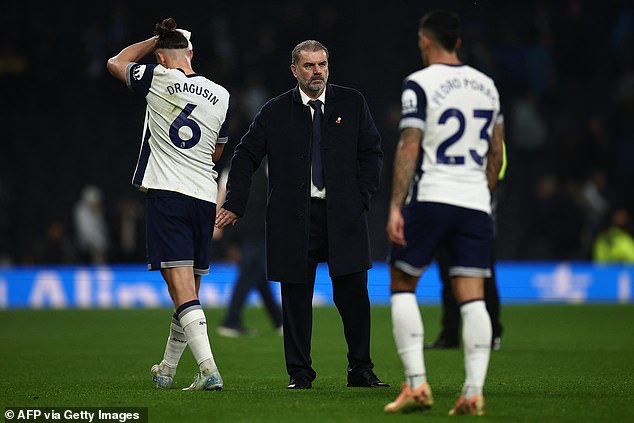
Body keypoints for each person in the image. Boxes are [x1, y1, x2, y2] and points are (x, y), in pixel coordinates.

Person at [215, 40, 388, 390]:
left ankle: (361, 370)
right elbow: (246, 155)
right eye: (309, 66)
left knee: (354, 296)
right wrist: (235, 202)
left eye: (322, 64)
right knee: (295, 299)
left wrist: (361, 198)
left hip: (344, 216)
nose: (317, 71)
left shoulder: (352, 103)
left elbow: (372, 152)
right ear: (294, 70)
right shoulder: (275, 111)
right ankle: (300, 375)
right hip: (293, 219)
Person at [384, 10, 504, 416]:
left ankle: (417, 385)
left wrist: (396, 205)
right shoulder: (488, 87)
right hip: (474, 203)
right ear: (458, 42)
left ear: (424, 40)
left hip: (433, 195)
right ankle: (472, 392)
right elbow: (496, 151)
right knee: (472, 297)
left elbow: (410, 145)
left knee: (402, 281)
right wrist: (482, 195)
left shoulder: (419, 83)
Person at [107, 18, 230, 391]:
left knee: (179, 289)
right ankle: (168, 370)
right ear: (191, 54)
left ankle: (209, 369)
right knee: (187, 291)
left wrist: (152, 40)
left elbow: (116, 61)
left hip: (169, 194)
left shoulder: (157, 78)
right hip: (204, 196)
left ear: (162, 58)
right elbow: (217, 152)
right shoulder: (221, 94)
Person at [215, 162, 283, 337]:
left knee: (257, 272)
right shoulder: (268, 161)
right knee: (250, 271)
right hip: (254, 226)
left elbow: (223, 190)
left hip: (247, 225)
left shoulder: (236, 160)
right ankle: (231, 320)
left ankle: (279, 321)